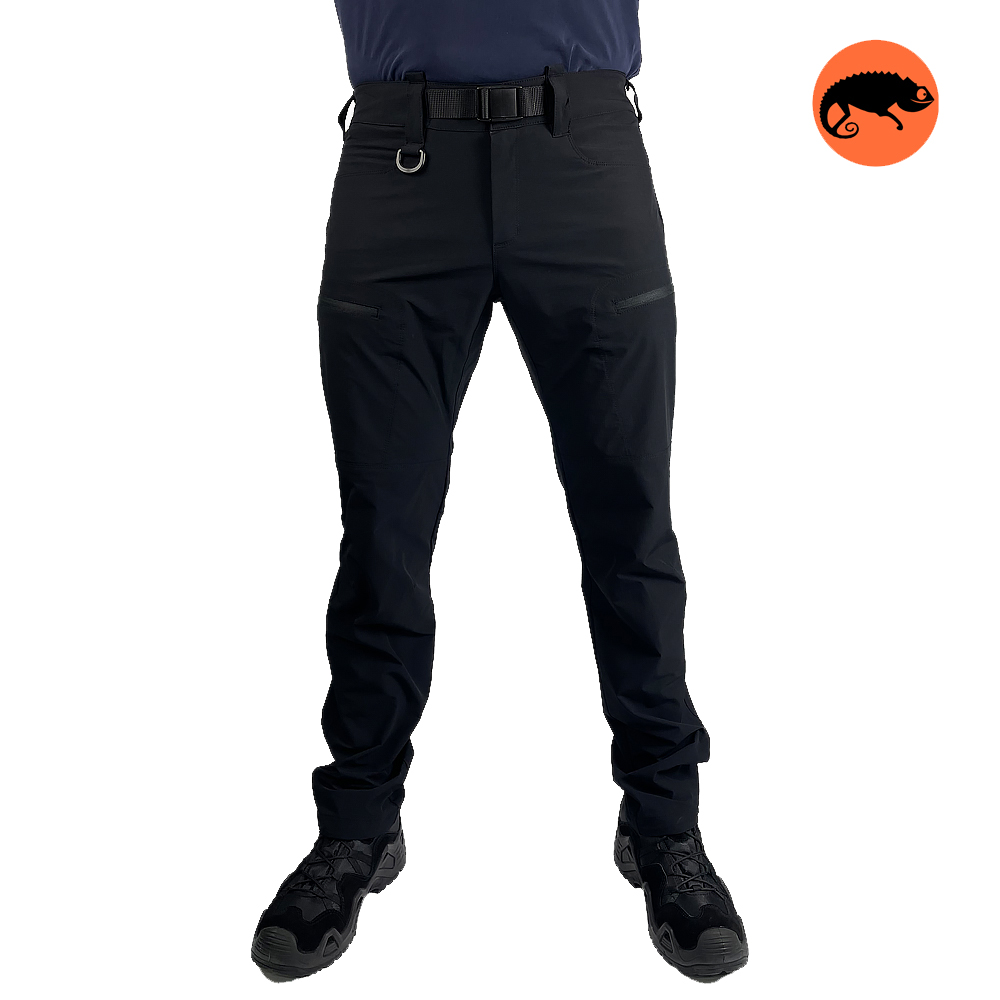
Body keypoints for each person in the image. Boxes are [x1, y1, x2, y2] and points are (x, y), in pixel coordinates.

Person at [251, 1, 748, 984]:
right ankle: (357, 826)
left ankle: (665, 825)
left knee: (629, 519)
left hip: (583, 154)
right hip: (401, 162)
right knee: (383, 529)